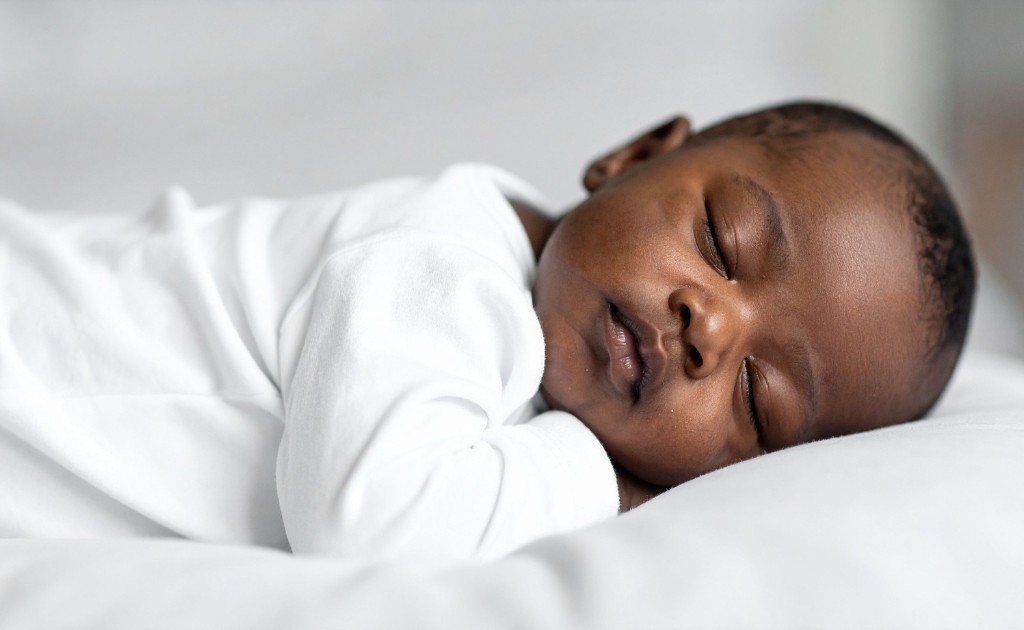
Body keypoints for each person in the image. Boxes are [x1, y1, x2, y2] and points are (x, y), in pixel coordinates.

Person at [0, 101, 974, 561]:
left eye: (755, 398)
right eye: (721, 239)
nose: (707, 327)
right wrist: (613, 481)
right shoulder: (442, 266)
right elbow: (369, 521)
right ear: (630, 156)